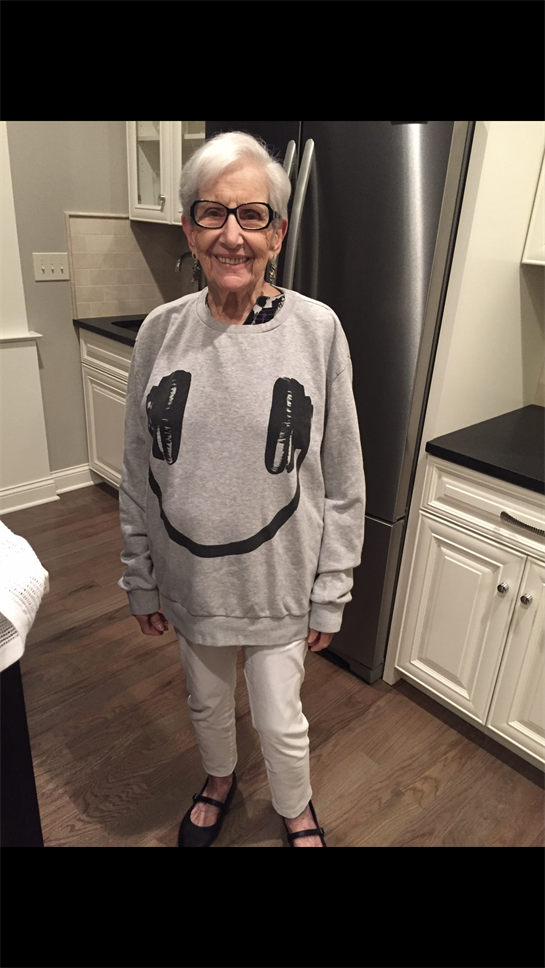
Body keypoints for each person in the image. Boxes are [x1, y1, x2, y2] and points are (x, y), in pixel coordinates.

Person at [119, 131, 365, 847]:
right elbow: (138, 467)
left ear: (277, 233)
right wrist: (140, 576)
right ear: (189, 229)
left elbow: (344, 476)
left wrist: (332, 588)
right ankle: (219, 778)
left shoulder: (317, 330)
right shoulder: (160, 333)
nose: (232, 235)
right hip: (190, 577)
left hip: (278, 582)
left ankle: (295, 808)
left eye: (251, 215)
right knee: (204, 702)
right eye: (212, 213)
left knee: (280, 719)